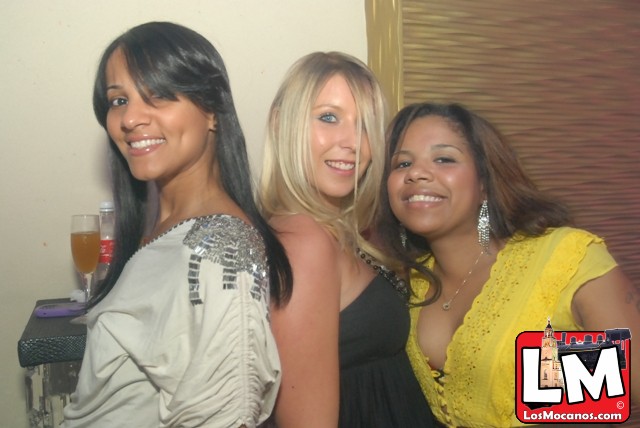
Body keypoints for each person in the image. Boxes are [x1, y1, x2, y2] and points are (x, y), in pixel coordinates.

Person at [62, 22, 292, 427]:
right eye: (118, 101)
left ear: (211, 111)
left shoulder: (221, 251)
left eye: (159, 95)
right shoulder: (164, 229)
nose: (131, 118)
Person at [375, 101, 640, 427]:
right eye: (402, 164)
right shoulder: (408, 285)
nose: (416, 173)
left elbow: (630, 383)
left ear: (484, 182)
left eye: (444, 159)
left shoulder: (565, 257)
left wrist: (533, 380)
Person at [258, 52, 435, 428]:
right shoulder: (303, 240)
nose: (352, 142)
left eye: (365, 126)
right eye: (328, 117)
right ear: (280, 123)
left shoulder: (338, 230)